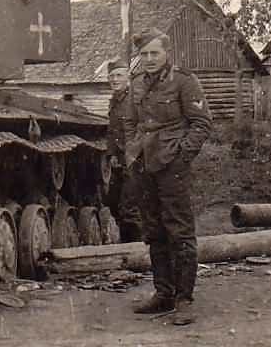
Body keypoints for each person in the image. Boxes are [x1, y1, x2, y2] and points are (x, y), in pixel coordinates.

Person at [124, 27, 212, 326]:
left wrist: (180, 157)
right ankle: (163, 294)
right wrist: (131, 153)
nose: (148, 59)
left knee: (180, 232)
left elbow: (201, 124)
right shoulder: (136, 84)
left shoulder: (184, 81)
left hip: (171, 167)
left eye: (154, 53)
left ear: (166, 53)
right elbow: (131, 123)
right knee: (153, 231)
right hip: (144, 166)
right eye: (144, 54)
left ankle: (184, 300)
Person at [106, 59, 142, 242]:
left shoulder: (134, 99)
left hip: (135, 159)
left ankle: (136, 250)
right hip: (120, 159)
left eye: (119, 75)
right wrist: (111, 154)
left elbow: (141, 129)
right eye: (111, 76)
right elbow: (112, 130)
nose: (114, 79)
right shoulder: (114, 101)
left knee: (130, 206)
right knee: (113, 202)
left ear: (128, 76)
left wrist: (133, 155)